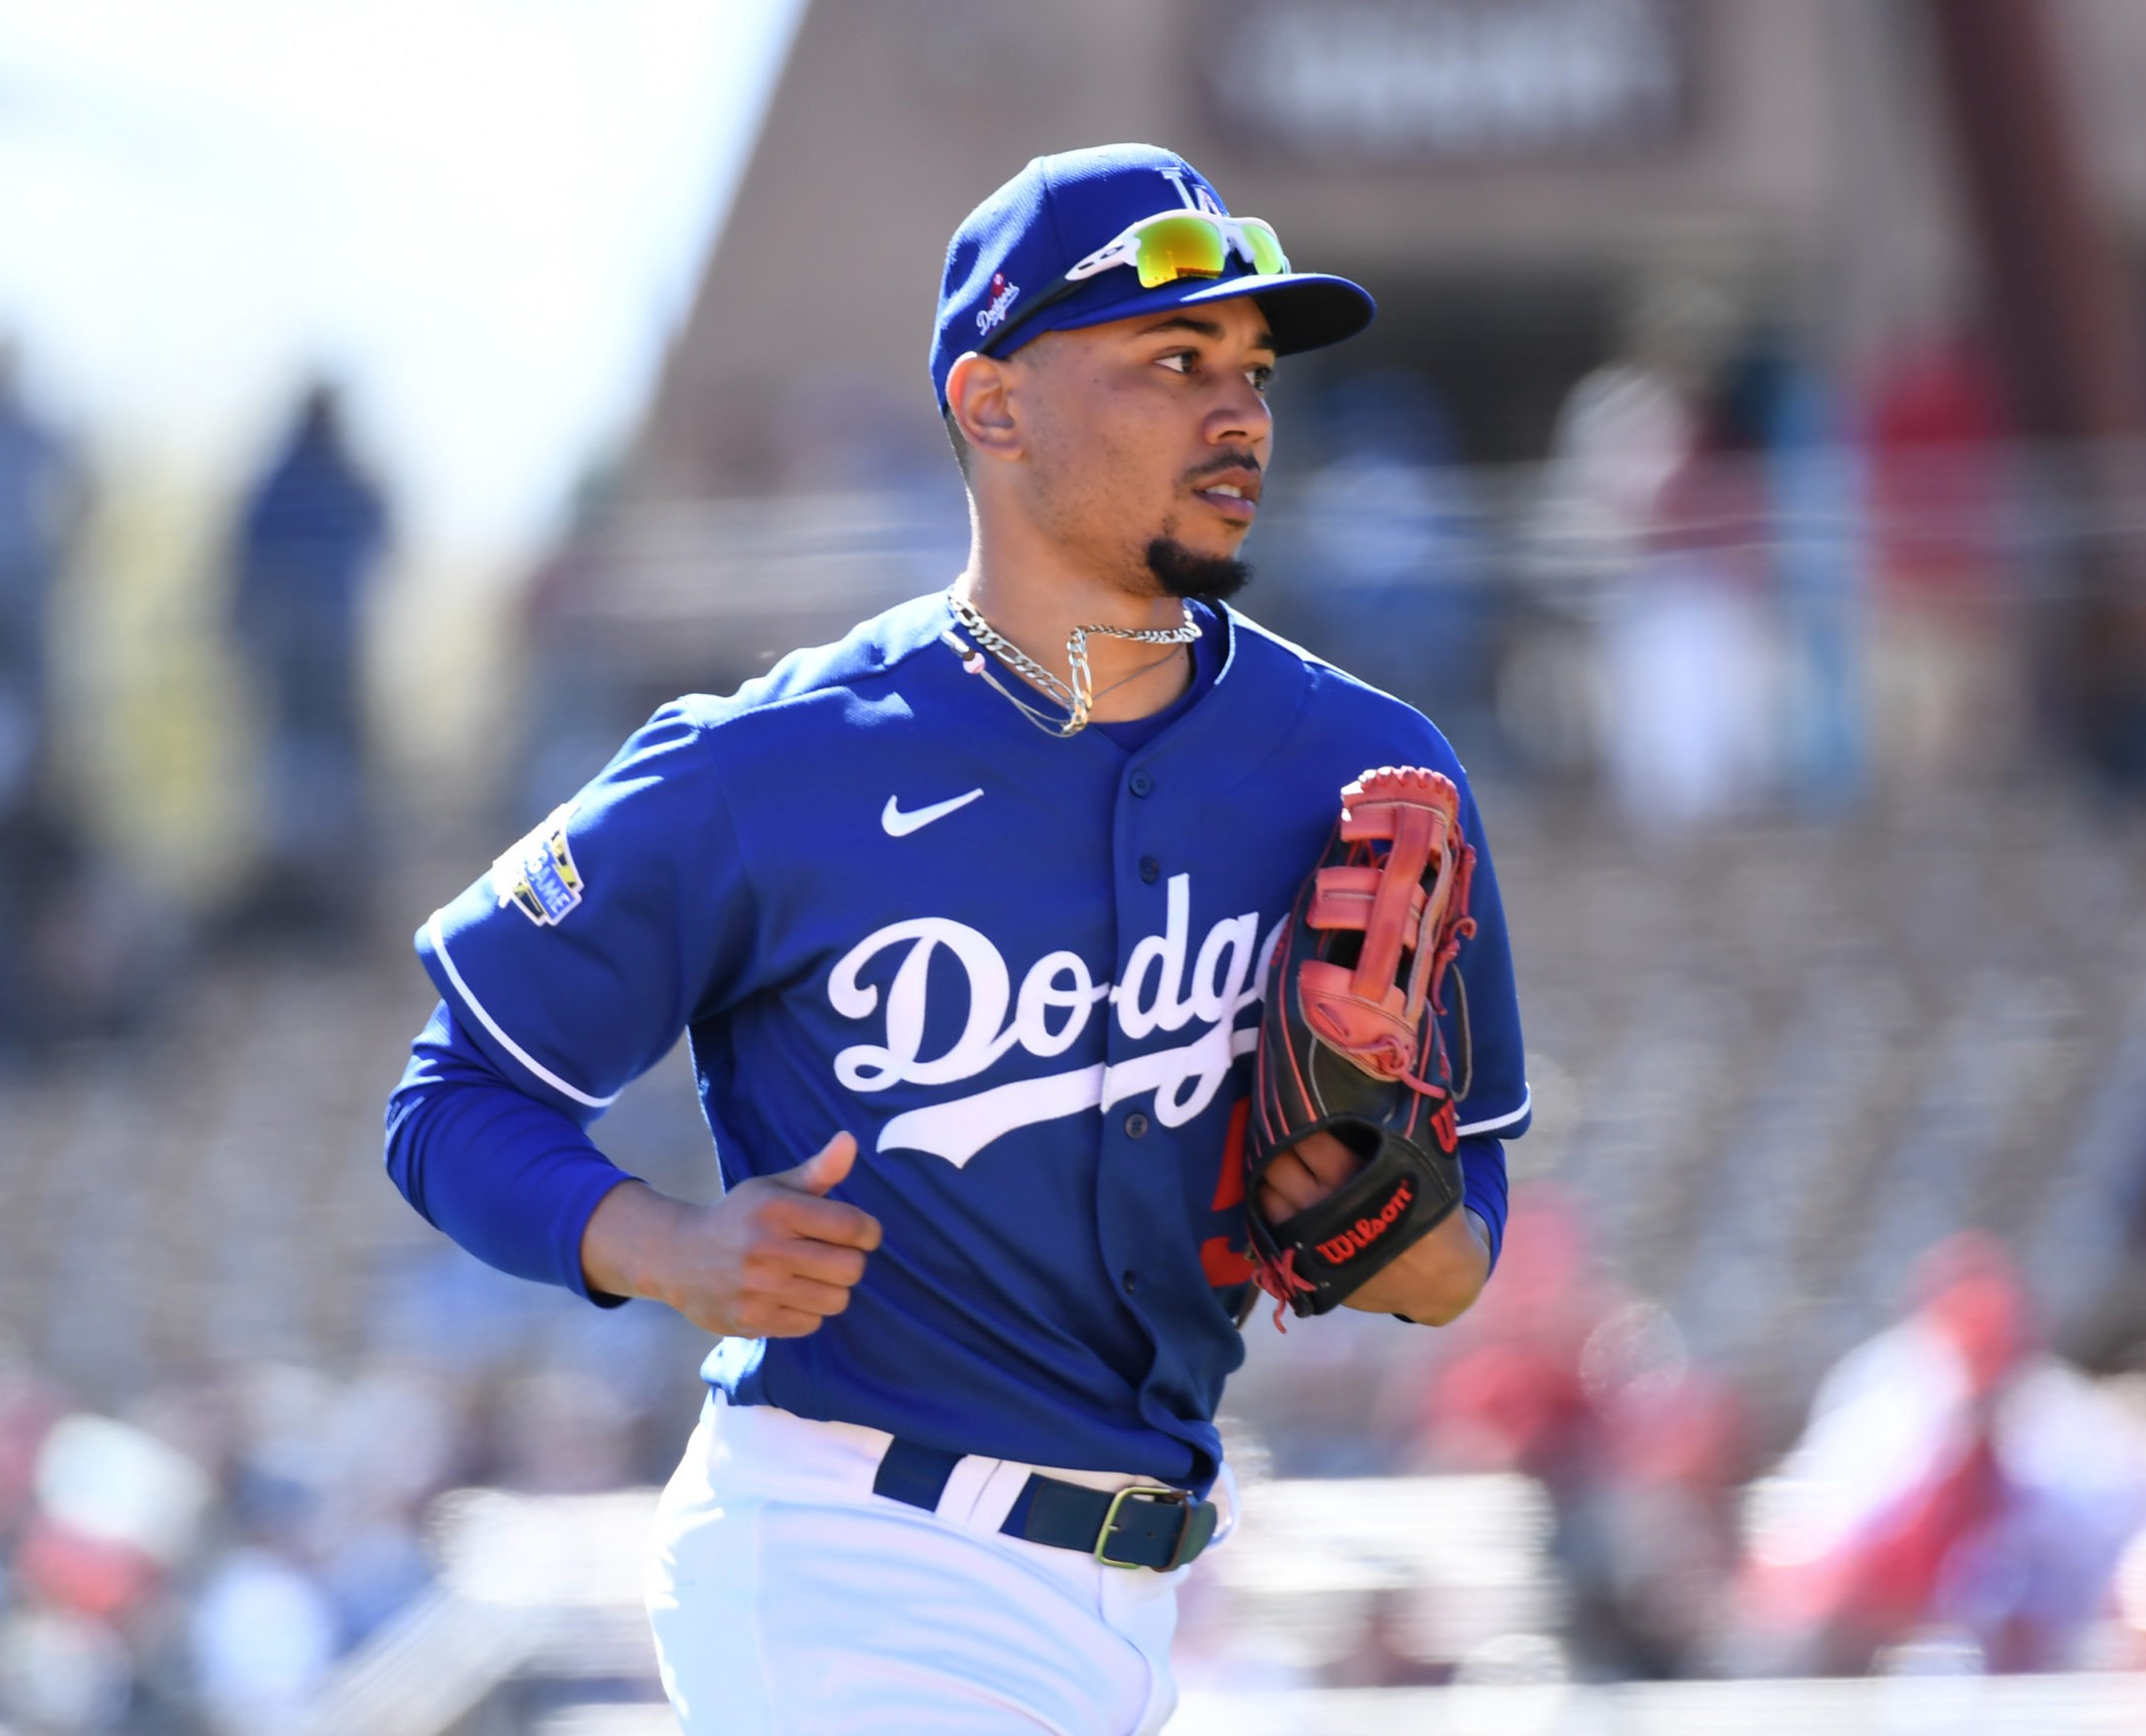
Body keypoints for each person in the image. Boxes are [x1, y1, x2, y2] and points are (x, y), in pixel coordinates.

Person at [384, 143, 1532, 1734]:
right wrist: (665, 1244)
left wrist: (1377, 1227)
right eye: (1174, 359)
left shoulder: (1363, 764)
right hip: (850, 1557)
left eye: (1254, 370)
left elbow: (1455, 1241)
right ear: (993, 405)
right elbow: (449, 1100)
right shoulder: (777, 762)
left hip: (1140, 1599)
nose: (1241, 413)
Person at [228, 381, 389, 935]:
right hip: (296, 651)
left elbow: (381, 528)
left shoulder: (342, 477)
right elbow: (249, 562)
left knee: (338, 768)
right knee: (295, 763)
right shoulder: (287, 478)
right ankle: (294, 877)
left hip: (330, 647)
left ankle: (336, 881)